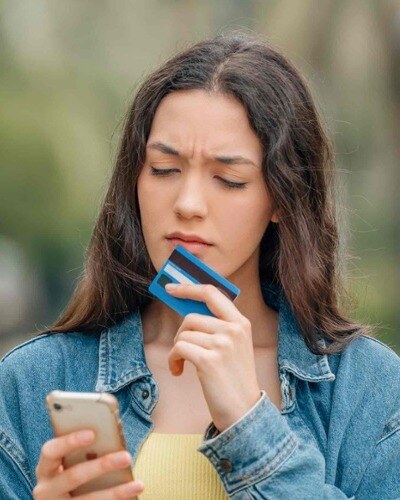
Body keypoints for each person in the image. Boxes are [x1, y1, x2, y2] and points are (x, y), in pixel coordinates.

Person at [0, 31, 399, 500]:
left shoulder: (368, 388)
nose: (188, 203)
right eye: (164, 169)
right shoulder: (35, 380)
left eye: (229, 180)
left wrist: (250, 426)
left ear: (281, 199)